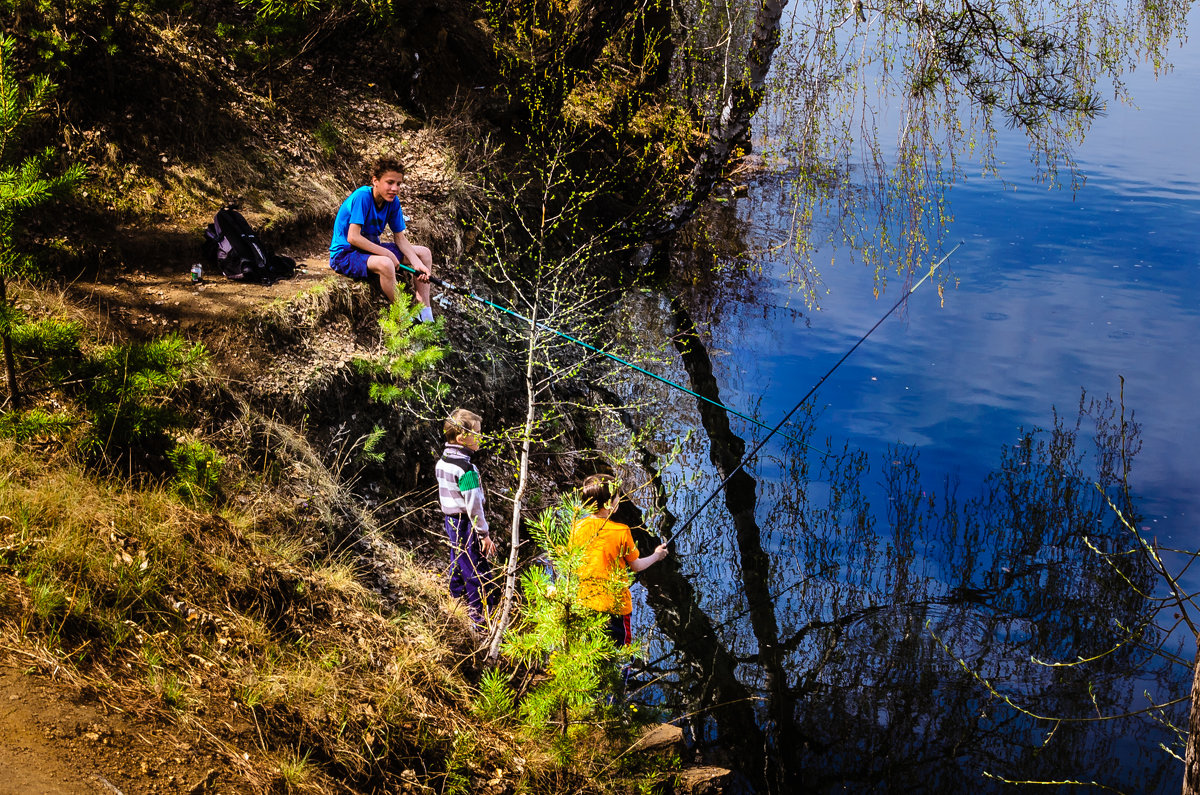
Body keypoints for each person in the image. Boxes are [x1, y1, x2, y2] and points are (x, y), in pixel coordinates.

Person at [329, 157, 436, 322]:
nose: (394, 188)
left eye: (398, 184)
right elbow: (353, 237)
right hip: (345, 254)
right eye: (390, 182)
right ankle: (406, 320)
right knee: (386, 263)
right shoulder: (363, 197)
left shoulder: (393, 202)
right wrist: (387, 254)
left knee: (424, 254)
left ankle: (426, 317)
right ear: (375, 181)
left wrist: (417, 264)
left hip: (368, 250)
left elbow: (400, 238)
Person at [570, 474, 669, 647]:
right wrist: (656, 555)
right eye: (616, 496)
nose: (619, 499)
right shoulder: (621, 531)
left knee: (592, 650)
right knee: (621, 650)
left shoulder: (576, 527)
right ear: (608, 503)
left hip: (585, 602)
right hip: (616, 606)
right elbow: (637, 566)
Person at [435, 409, 497, 627]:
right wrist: (483, 533)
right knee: (475, 567)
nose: (482, 437)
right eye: (478, 433)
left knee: (457, 557)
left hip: (450, 520)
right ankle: (479, 617)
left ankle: (455, 596)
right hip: (466, 523)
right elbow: (474, 506)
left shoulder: (443, 461)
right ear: (462, 437)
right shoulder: (467, 469)